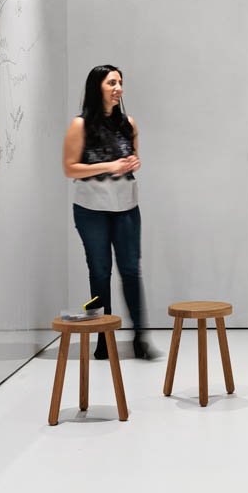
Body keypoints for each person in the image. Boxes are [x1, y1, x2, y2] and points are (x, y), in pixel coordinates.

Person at [62, 65, 152, 359]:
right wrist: (109, 166)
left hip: (126, 207)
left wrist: (134, 163)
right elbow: (70, 168)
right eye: (112, 82)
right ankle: (103, 337)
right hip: (91, 210)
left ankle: (140, 336)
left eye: (120, 82)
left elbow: (134, 158)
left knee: (131, 270)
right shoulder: (80, 125)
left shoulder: (128, 123)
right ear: (96, 87)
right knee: (100, 273)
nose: (118, 88)